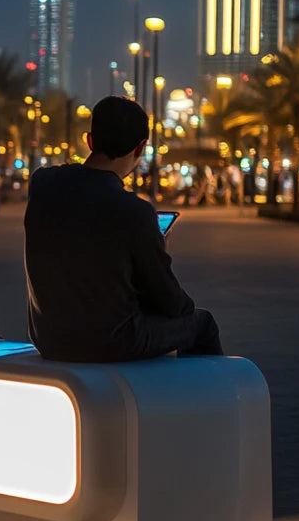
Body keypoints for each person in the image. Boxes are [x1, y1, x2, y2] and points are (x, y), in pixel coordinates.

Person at [25, 96, 223, 362]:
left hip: (49, 339)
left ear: (90, 141)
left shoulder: (42, 184)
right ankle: (200, 401)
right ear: (140, 148)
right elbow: (169, 300)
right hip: (112, 342)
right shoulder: (135, 211)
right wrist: (153, 247)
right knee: (202, 323)